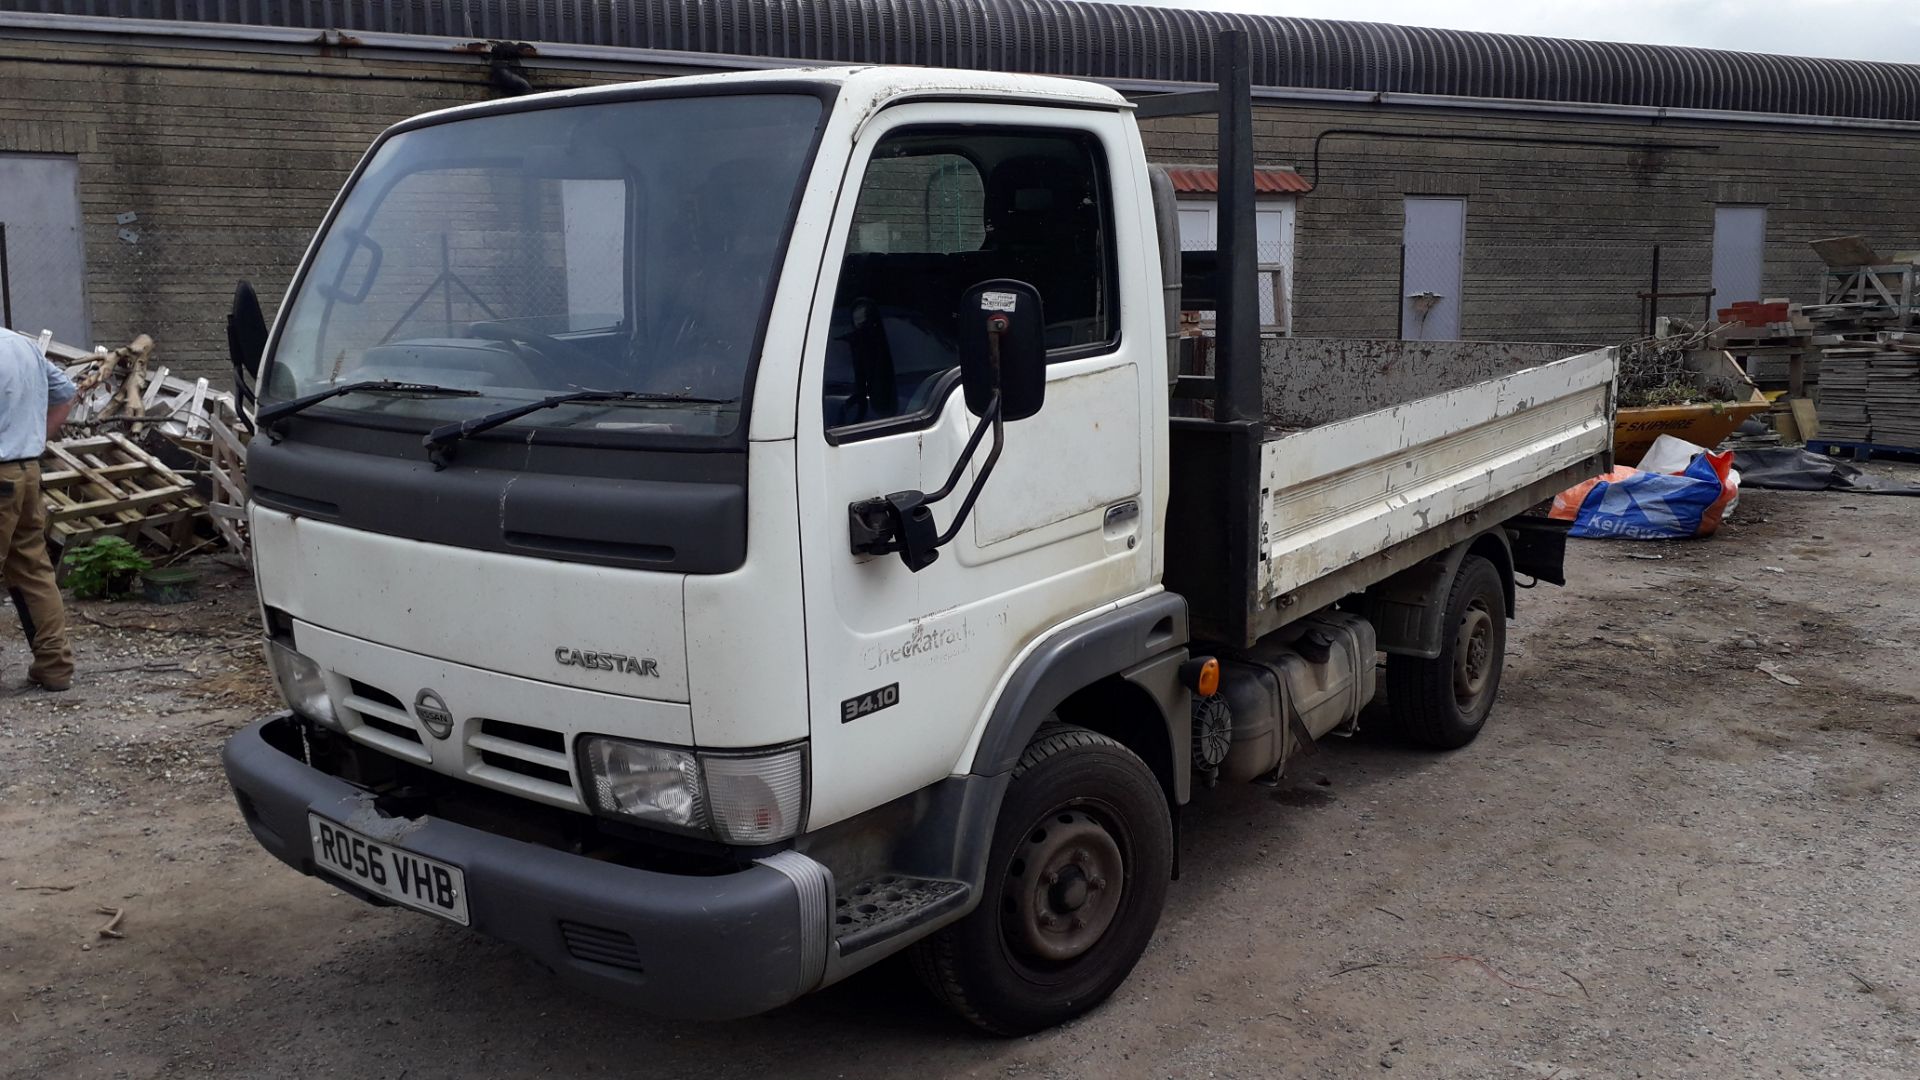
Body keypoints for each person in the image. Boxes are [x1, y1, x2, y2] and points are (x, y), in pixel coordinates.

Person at [1, 327, 77, 691]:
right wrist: (35, 438)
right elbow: (66, 395)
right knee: (32, 569)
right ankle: (54, 667)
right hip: (28, 471)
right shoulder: (21, 345)